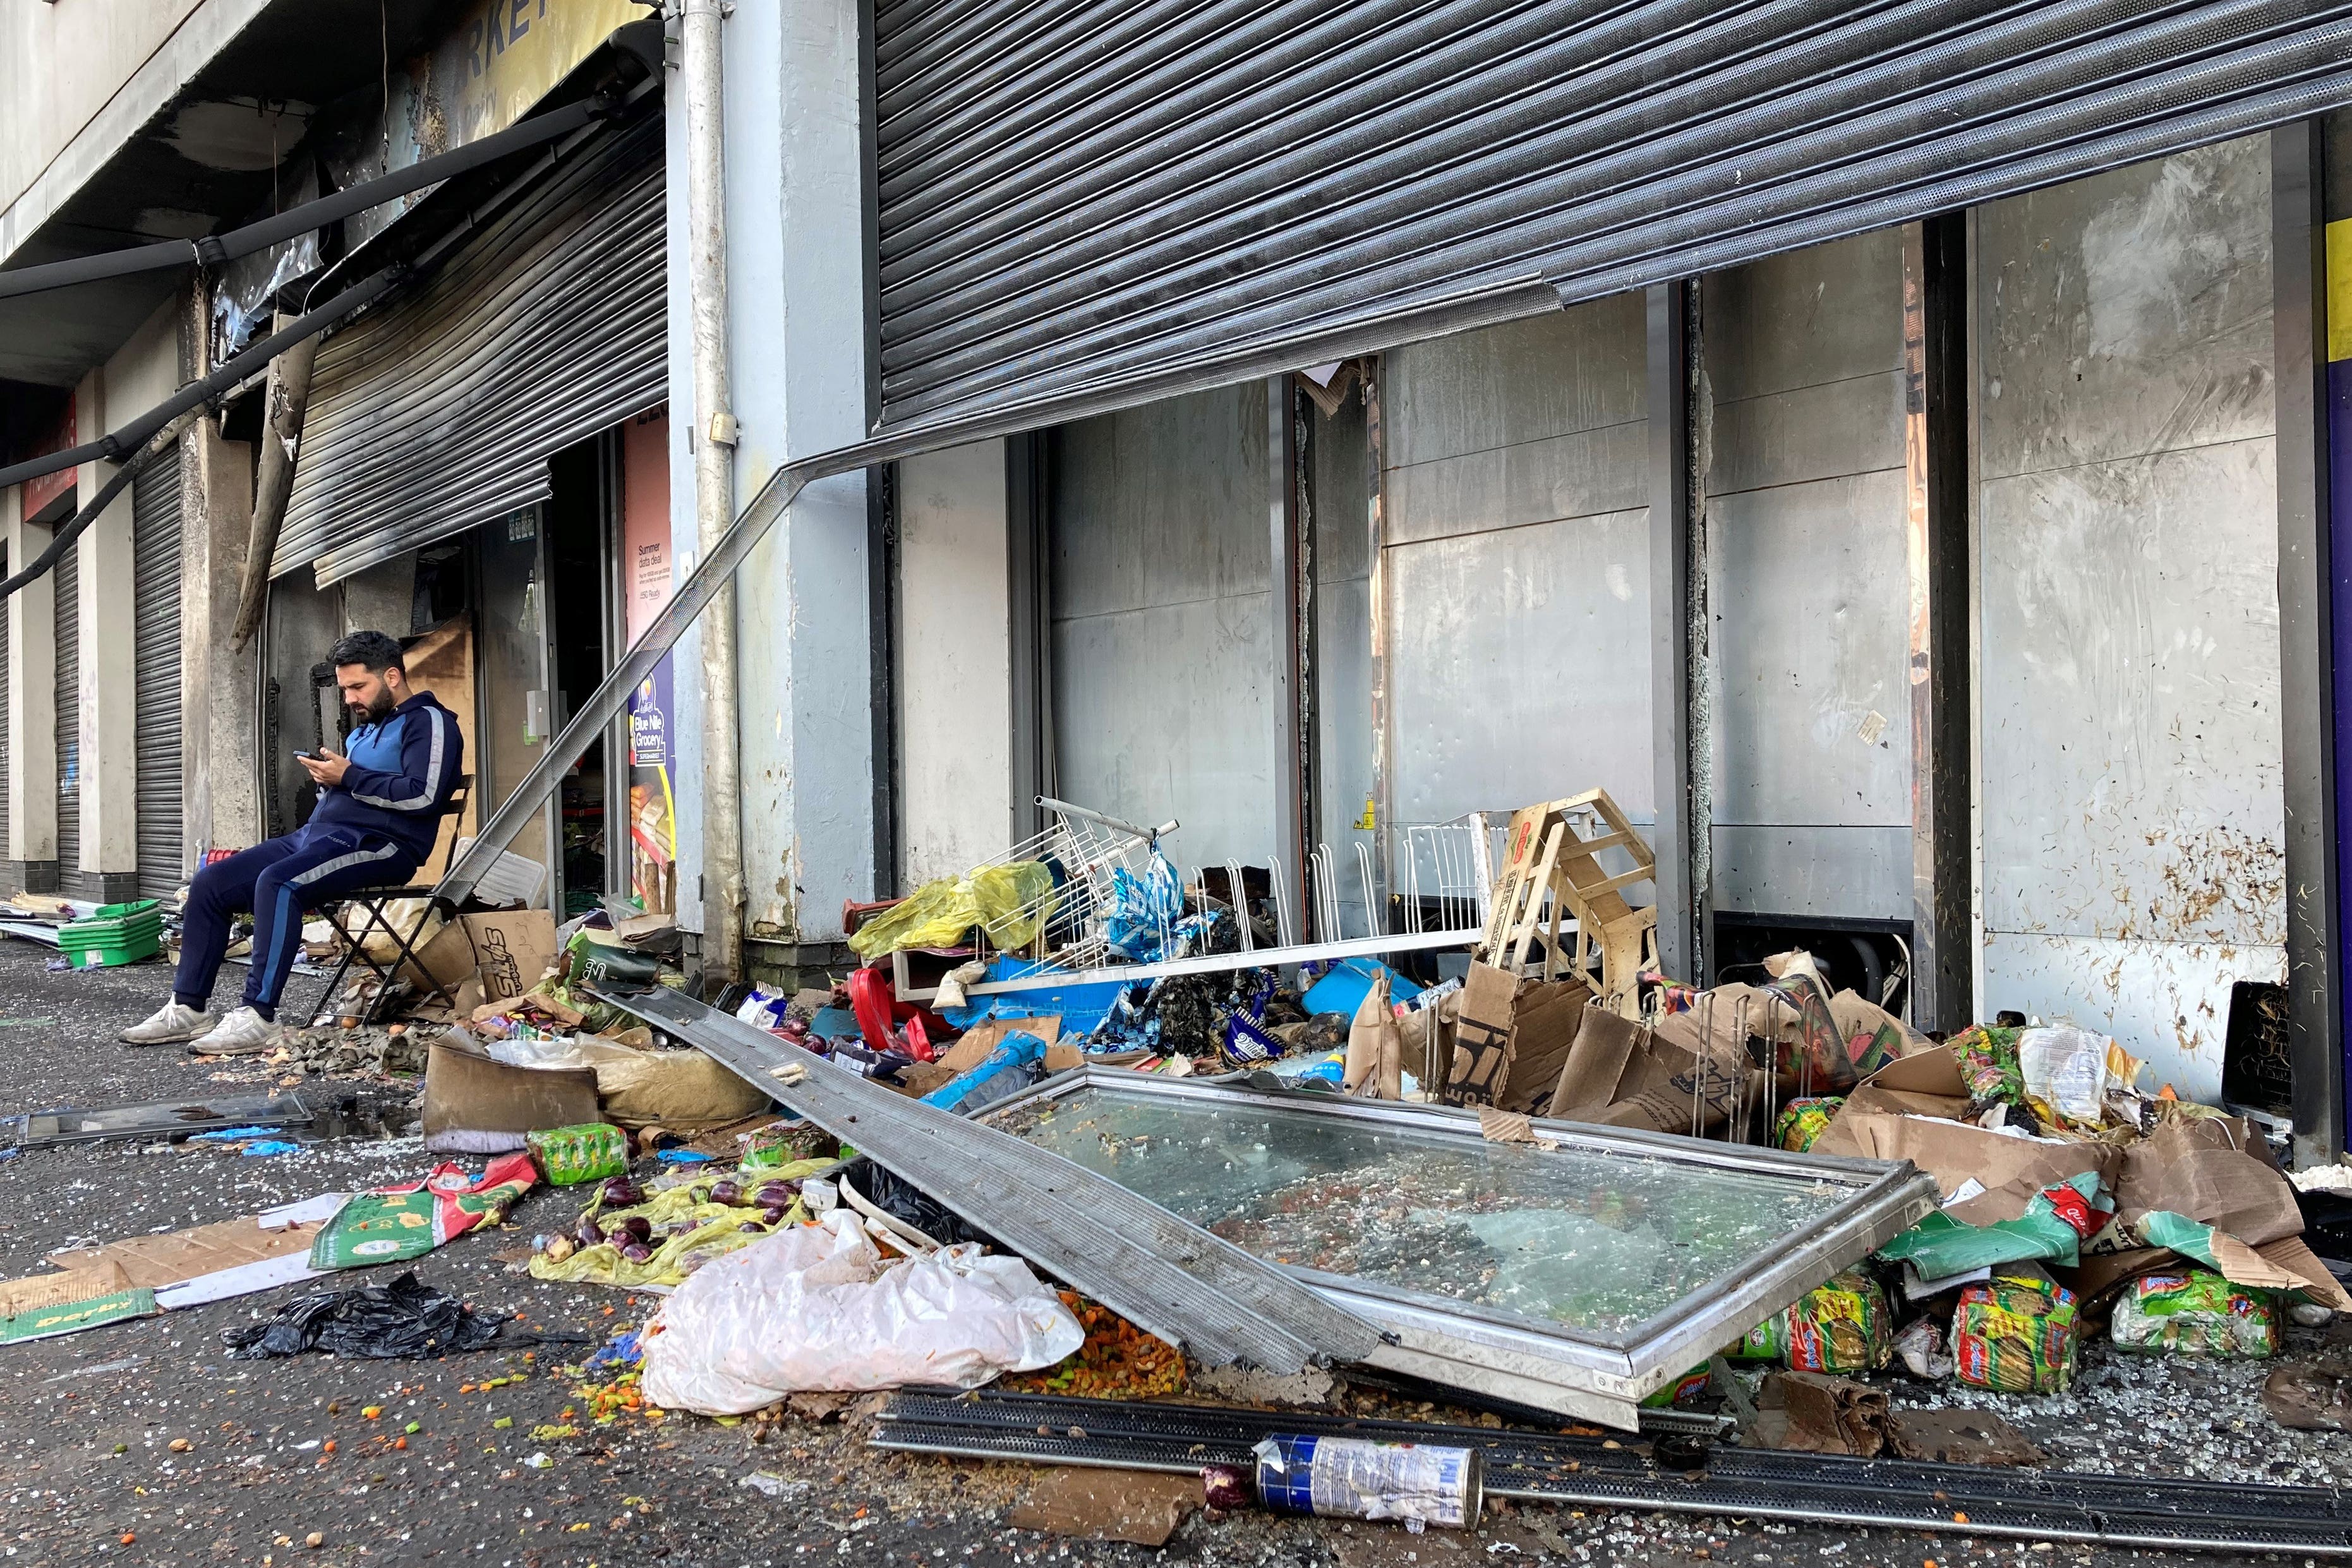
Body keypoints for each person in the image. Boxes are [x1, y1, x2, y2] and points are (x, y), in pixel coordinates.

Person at [121, 630, 464, 1054]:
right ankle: (189, 1008)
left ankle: (258, 1015)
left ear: (392, 676)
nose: (352, 698)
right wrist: (329, 782)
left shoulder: (430, 721)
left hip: (383, 845)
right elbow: (358, 789)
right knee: (211, 882)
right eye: (345, 689)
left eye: (359, 686)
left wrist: (348, 777)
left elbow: (423, 794)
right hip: (319, 837)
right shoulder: (363, 733)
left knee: (278, 883)